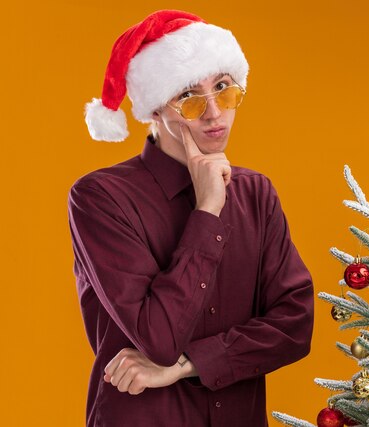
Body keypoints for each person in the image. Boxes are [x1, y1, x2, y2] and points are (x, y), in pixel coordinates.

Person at [67, 10, 314, 427]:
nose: (214, 113)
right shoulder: (101, 198)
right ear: (154, 111)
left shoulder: (255, 193)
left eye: (223, 88)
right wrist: (207, 210)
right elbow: (158, 338)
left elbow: (294, 326)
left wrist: (185, 366)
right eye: (188, 96)